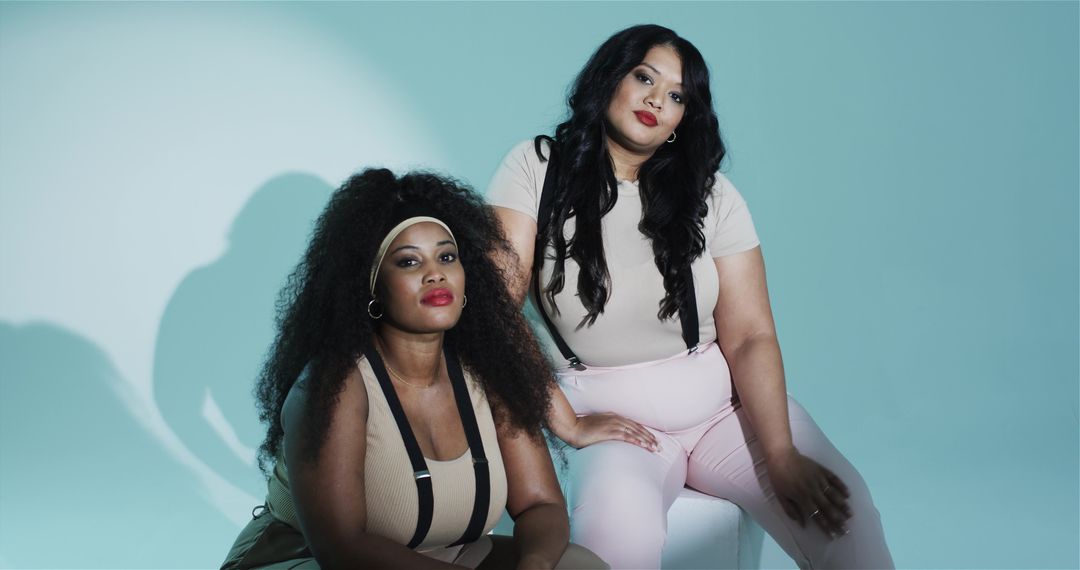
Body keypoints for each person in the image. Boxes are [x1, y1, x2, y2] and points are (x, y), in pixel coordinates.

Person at [487, 25, 894, 569]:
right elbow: (494, 307)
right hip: (614, 422)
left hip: (720, 411)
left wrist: (779, 453)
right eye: (644, 77)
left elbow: (750, 334)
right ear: (608, 79)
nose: (658, 99)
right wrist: (563, 420)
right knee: (613, 542)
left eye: (677, 95)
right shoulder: (538, 167)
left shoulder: (711, 193)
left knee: (845, 510)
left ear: (684, 118)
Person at [221, 169, 607, 569]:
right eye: (408, 262)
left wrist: (537, 565)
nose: (435, 273)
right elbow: (343, 548)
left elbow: (539, 504)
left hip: (446, 556)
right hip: (306, 561)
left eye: (446, 256)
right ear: (371, 286)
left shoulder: (490, 371)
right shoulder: (334, 384)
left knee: (580, 566)